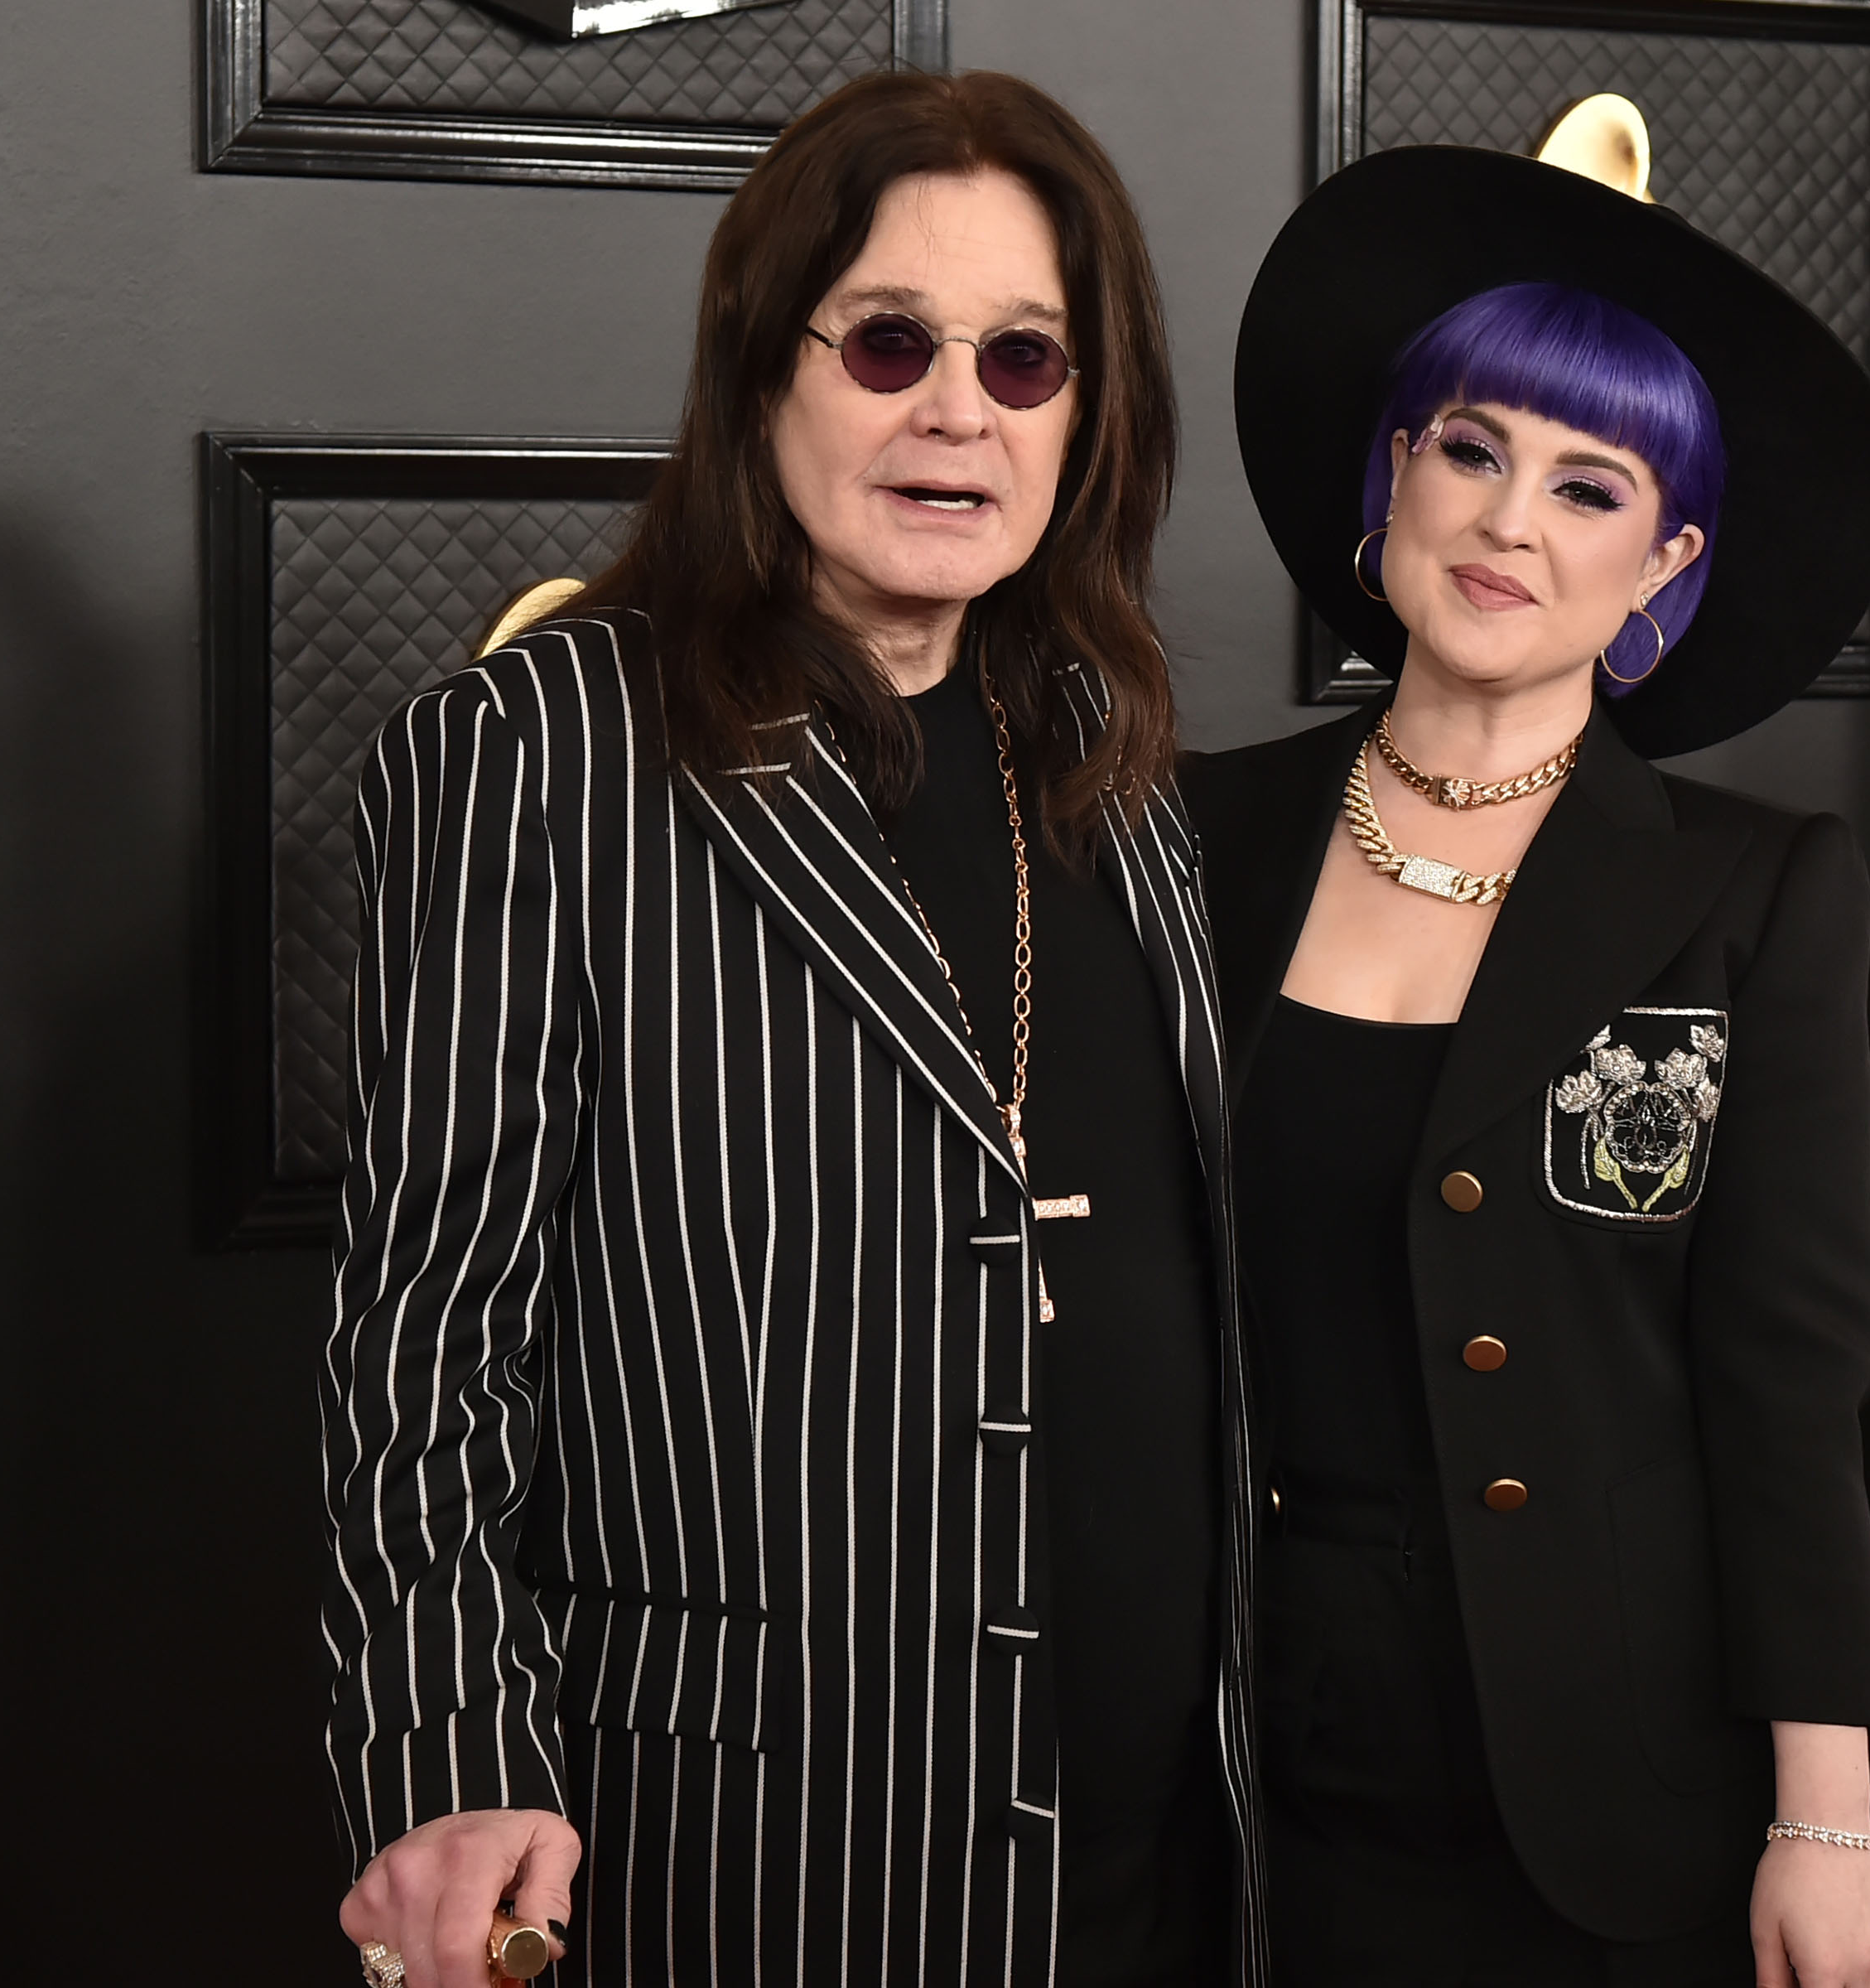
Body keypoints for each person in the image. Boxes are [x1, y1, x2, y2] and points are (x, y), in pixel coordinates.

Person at [320, 70, 1261, 1988]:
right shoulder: (543, 752)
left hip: (1162, 1839)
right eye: (892, 341)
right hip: (766, 1842)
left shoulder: (1115, 760)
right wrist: (445, 1765)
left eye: (1024, 361)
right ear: (766, 371)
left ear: (1086, 421)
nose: (954, 411)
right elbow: (427, 1336)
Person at [1184, 145, 1870, 1987]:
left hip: (1617, 1780)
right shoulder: (1192, 841)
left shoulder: (1755, 891)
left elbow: (1789, 1386)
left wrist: (1827, 1828)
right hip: (1243, 1750)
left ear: (1667, 559)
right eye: (1472, 450)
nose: (1512, 522)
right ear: (1392, 477)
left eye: (1593, 486)